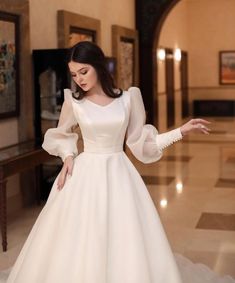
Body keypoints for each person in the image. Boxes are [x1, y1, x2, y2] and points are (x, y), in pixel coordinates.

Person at [1, 41, 234, 283]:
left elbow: (142, 144)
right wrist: (68, 155)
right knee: (82, 239)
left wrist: (181, 131)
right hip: (84, 174)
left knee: (125, 239)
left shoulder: (128, 98)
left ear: (98, 66)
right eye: (73, 74)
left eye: (84, 71)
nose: (79, 79)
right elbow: (61, 133)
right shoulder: (74, 102)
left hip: (120, 173)